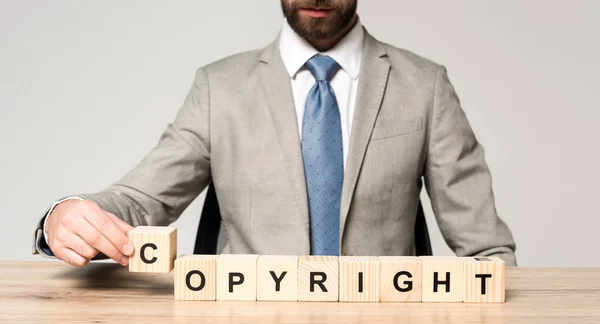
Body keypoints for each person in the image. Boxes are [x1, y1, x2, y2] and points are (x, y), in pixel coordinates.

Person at [33, 0, 517, 267]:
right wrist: (65, 217)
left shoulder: (425, 86)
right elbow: (138, 202)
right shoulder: (218, 88)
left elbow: (488, 253)